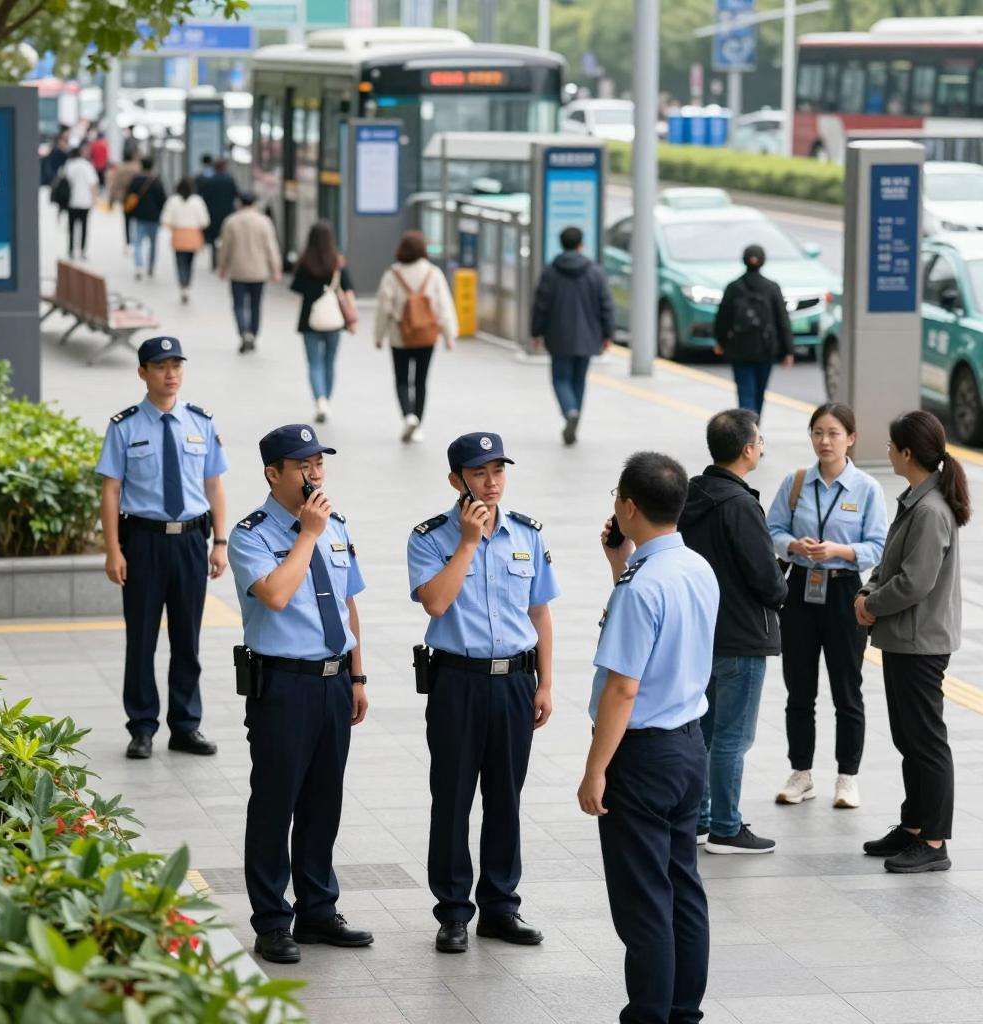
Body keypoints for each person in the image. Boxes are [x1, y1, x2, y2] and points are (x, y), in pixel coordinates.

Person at [579, 452, 717, 1024]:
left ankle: (648, 1013)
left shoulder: (643, 587)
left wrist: (595, 770)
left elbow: (622, 690)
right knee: (682, 886)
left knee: (644, 901)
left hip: (643, 755)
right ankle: (683, 1010)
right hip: (689, 745)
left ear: (629, 507)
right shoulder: (695, 568)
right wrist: (621, 566)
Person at [407, 432, 559, 953]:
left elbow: (540, 612)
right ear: (457, 481)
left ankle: (500, 907)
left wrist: (546, 683)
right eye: (479, 473)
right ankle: (452, 911)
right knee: (451, 797)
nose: (491, 483)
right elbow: (435, 604)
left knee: (505, 798)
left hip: (515, 681)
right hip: (457, 682)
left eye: (498, 471)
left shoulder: (527, 534)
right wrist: (468, 543)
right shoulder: (430, 537)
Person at [227, 424, 373, 965]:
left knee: (322, 800)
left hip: (333, 680)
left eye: (319, 463)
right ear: (274, 474)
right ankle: (271, 921)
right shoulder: (252, 533)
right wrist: (306, 534)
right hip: (282, 684)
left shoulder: (337, 524)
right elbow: (278, 595)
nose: (315, 474)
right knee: (275, 803)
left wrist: (357, 676)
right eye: (302, 465)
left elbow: (348, 602)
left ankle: (317, 909)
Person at [95, 336, 227, 761]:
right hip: (144, 543)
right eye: (159, 367)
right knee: (142, 639)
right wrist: (113, 549)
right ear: (142, 373)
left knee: (187, 638)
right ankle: (142, 727)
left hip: (191, 540)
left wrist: (220, 541)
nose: (170, 374)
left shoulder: (201, 422)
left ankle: (186, 726)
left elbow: (213, 484)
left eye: (176, 366)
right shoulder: (125, 426)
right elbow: (111, 490)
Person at [856, 410, 970, 874]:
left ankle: (935, 841)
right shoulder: (916, 500)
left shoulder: (930, 510)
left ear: (907, 453)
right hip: (906, 638)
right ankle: (914, 826)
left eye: (891, 447)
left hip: (921, 641)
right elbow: (890, 564)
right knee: (909, 735)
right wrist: (869, 590)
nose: (888, 453)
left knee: (925, 740)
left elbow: (914, 582)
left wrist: (871, 604)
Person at [768, 403, 888, 810]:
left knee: (846, 689)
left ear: (851, 438)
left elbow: (879, 546)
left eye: (834, 433)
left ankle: (847, 777)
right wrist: (792, 545)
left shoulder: (866, 489)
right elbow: (772, 530)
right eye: (818, 432)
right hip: (800, 589)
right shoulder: (796, 482)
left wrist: (840, 550)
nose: (824, 441)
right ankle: (801, 774)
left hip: (843, 592)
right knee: (798, 688)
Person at [679, 410, 787, 854]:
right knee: (733, 737)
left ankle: (701, 817)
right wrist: (782, 585)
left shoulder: (690, 494)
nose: (762, 446)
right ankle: (726, 826)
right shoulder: (741, 504)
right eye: (759, 440)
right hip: (743, 636)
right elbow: (765, 578)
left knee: (704, 731)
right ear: (746, 449)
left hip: (702, 633)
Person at [530, 225, 615, 446]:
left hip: (558, 336)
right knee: (579, 380)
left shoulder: (550, 271)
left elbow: (541, 305)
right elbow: (606, 304)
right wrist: (608, 333)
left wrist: (536, 331)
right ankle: (575, 413)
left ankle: (570, 411)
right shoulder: (595, 272)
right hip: (588, 337)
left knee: (560, 378)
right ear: (580, 245)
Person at [374, 230, 458, 443]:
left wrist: (379, 334)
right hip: (426, 336)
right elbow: (443, 306)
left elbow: (384, 306)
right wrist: (449, 334)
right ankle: (418, 423)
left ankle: (408, 416)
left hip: (399, 336)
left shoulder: (392, 274)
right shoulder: (433, 273)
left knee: (402, 380)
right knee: (421, 381)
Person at [713, 244, 794, 419]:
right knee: (759, 393)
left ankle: (747, 429)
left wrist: (720, 342)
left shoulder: (733, 287)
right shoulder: (772, 287)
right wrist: (788, 350)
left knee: (745, 392)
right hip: (766, 350)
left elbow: (722, 318)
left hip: (740, 350)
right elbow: (782, 320)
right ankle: (754, 429)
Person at [290, 220, 356, 423]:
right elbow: (349, 290)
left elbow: (297, 289)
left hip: (310, 319)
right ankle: (326, 399)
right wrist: (352, 318)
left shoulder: (304, 262)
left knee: (314, 363)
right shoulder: (337, 262)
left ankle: (319, 400)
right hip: (334, 320)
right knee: (329, 361)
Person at [217, 192, 282, 354]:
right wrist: (276, 269)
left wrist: (222, 266)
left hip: (237, 270)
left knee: (238, 304)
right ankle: (253, 333)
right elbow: (271, 247)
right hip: (259, 272)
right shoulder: (264, 222)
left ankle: (243, 332)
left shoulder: (231, 221)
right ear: (255, 203)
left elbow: (225, 247)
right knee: (255, 304)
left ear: (239, 203)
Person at [161, 177, 211, 305]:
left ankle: (182, 285)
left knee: (180, 262)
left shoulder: (173, 201)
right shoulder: (198, 201)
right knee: (190, 262)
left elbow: (166, 219)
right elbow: (205, 221)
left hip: (178, 234)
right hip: (193, 235)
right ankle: (187, 285)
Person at [126, 156, 168, 281]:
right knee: (153, 243)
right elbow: (163, 199)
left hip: (139, 216)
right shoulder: (156, 180)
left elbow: (129, 196)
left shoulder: (136, 180)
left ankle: (139, 267)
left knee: (137, 242)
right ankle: (151, 267)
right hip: (154, 217)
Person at [197, 157, 238, 270]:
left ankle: (214, 262)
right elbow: (235, 195)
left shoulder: (210, 181)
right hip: (227, 213)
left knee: (214, 238)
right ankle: (225, 261)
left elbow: (204, 197)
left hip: (213, 213)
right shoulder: (230, 180)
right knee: (227, 237)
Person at [62, 144, 97, 260]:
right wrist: (94, 199)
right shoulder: (87, 165)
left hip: (71, 201)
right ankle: (82, 251)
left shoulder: (69, 165)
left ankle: (71, 250)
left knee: (71, 227)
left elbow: (64, 182)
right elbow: (93, 184)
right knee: (84, 227)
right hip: (85, 201)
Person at [107, 143, 142, 252]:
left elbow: (114, 185)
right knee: (137, 220)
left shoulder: (120, 169)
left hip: (125, 198)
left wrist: (111, 200)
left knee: (126, 220)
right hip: (138, 197)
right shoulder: (138, 167)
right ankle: (137, 242)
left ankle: (128, 243)